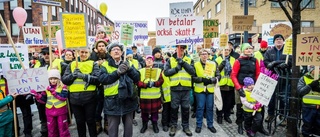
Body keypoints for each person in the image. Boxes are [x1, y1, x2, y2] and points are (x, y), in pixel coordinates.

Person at [99, 42, 140, 137]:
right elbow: (103, 79)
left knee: (128, 129)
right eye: (114, 49)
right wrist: (117, 73)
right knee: (112, 130)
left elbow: (137, 77)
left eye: (118, 49)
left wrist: (129, 69)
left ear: (122, 52)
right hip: (112, 102)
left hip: (128, 100)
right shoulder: (105, 65)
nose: (116, 51)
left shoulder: (129, 63)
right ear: (110, 53)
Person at [62, 48, 100, 137]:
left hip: (90, 99)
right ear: (78, 53)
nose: (83, 54)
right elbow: (64, 80)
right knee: (79, 122)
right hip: (75, 100)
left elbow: (98, 80)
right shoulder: (71, 65)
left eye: (86, 52)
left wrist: (84, 76)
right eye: (82, 52)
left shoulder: (93, 64)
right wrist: (72, 75)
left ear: (89, 54)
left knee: (91, 121)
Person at [164, 45, 195, 137]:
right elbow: (166, 73)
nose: (180, 50)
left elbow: (192, 72)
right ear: (175, 49)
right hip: (175, 88)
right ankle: (173, 125)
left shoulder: (189, 59)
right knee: (174, 109)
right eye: (178, 48)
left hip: (185, 88)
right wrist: (176, 68)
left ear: (184, 49)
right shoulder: (170, 60)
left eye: (182, 48)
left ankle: (185, 126)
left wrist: (183, 63)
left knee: (186, 109)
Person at [231, 43, 260, 135]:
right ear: (243, 50)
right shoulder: (238, 61)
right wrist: (239, 88)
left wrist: (258, 86)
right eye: (247, 48)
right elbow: (233, 75)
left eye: (250, 48)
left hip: (252, 87)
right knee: (240, 107)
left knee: (253, 105)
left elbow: (258, 74)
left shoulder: (255, 60)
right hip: (240, 87)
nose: (249, 50)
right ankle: (240, 123)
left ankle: (252, 125)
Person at [31, 69, 70, 137]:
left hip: (61, 111)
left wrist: (55, 93)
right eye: (51, 79)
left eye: (55, 78)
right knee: (51, 129)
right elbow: (43, 100)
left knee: (63, 128)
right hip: (50, 112)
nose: (53, 80)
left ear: (58, 79)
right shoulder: (46, 87)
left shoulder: (63, 87)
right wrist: (37, 95)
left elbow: (64, 97)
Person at [264, 34, 292, 126]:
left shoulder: (288, 50)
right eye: (277, 39)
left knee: (284, 99)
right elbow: (266, 62)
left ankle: (282, 116)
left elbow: (290, 61)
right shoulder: (269, 51)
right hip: (272, 78)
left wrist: (276, 63)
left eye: (280, 39)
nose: (279, 41)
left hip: (284, 78)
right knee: (271, 98)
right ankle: (270, 114)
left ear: (283, 41)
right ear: (274, 41)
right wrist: (274, 64)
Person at [192, 49, 220, 134]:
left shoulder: (213, 64)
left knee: (210, 108)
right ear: (199, 55)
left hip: (210, 89)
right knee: (200, 108)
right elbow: (193, 77)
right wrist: (201, 79)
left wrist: (214, 79)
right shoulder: (195, 64)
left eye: (206, 54)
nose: (204, 56)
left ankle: (210, 125)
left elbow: (218, 75)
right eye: (202, 54)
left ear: (208, 55)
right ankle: (199, 125)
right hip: (200, 90)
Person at [136, 55, 164, 133]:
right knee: (144, 112)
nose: (149, 61)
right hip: (144, 96)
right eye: (147, 59)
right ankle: (144, 125)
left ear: (153, 61)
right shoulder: (141, 71)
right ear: (145, 61)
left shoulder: (159, 70)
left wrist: (155, 84)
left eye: (150, 60)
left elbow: (161, 81)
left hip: (155, 96)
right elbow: (137, 82)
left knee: (155, 112)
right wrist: (145, 85)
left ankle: (154, 124)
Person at [90, 39, 109, 134]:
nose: (101, 47)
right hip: (96, 87)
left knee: (107, 107)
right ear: (96, 48)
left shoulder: (108, 56)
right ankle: (98, 124)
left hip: (106, 87)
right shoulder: (93, 57)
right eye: (99, 46)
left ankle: (106, 124)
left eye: (103, 46)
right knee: (97, 108)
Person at [215, 46, 236, 124]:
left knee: (228, 102)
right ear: (221, 51)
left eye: (228, 50)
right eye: (225, 50)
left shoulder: (233, 60)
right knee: (220, 102)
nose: (226, 51)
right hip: (221, 85)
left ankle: (227, 116)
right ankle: (219, 116)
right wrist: (221, 65)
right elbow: (215, 71)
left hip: (230, 84)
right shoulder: (217, 59)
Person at [297, 66, 320, 137]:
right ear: (311, 70)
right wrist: (310, 86)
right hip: (307, 106)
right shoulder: (304, 78)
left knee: (318, 127)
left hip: (319, 107)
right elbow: (300, 92)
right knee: (307, 125)